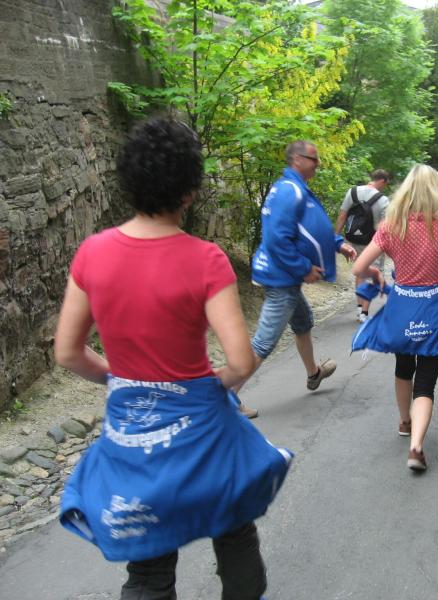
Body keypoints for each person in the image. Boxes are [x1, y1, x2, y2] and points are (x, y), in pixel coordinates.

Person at [54, 116, 292, 600]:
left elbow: (68, 352)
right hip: (204, 436)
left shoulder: (92, 254)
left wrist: (116, 379)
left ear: (128, 181)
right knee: (235, 530)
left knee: (148, 572)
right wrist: (212, 383)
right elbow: (241, 362)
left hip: (133, 440)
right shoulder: (206, 260)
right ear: (189, 191)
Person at [351, 164, 438, 472]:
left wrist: (376, 275)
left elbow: (358, 268)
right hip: (435, 311)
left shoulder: (391, 227)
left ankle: (405, 421)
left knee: (404, 367)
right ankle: (416, 447)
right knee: (426, 382)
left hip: (401, 309)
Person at [238, 140, 358, 418]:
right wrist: (303, 268)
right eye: (314, 159)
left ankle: (313, 373)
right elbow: (277, 239)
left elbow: (309, 227)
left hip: (284, 276)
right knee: (264, 342)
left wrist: (337, 243)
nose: (318, 164)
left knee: (303, 322)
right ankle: (227, 397)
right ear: (297, 159)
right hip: (282, 278)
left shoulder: (293, 188)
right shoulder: (289, 191)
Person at [334, 169, 391, 322]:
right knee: (372, 274)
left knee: (360, 273)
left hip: (354, 239)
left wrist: (335, 238)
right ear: (383, 181)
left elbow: (342, 216)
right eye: (386, 184)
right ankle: (364, 313)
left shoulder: (352, 192)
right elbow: (383, 228)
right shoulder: (383, 200)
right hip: (373, 243)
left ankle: (359, 309)